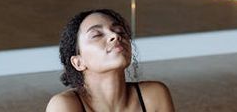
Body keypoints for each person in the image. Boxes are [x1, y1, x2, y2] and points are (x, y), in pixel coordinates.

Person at [46, 9, 175, 112]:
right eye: (97, 35)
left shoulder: (153, 95)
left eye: (120, 31)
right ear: (78, 62)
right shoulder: (64, 105)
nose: (115, 36)